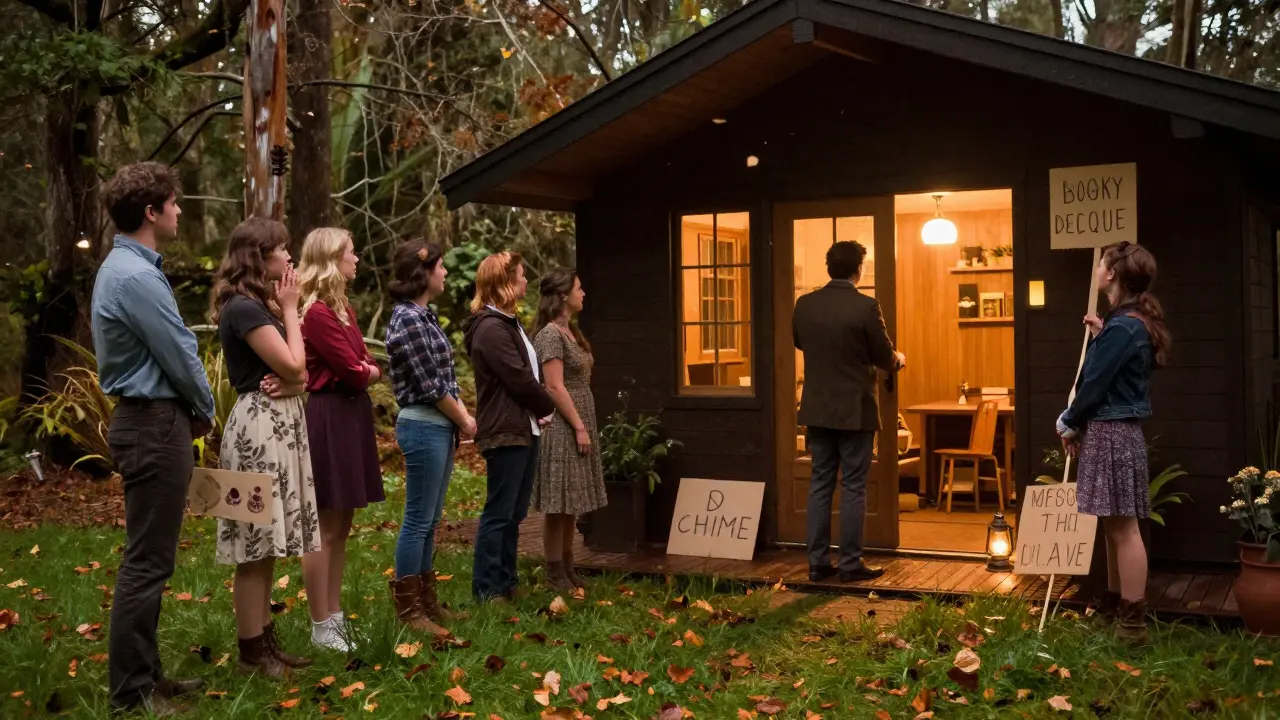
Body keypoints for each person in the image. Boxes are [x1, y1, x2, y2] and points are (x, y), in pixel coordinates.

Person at [92, 162, 215, 715]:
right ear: (151, 210)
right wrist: (206, 409)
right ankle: (132, 693)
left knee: (152, 558)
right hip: (152, 422)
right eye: (174, 201)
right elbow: (180, 352)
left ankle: (147, 675)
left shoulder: (123, 267)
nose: (180, 209)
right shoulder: (137, 276)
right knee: (147, 562)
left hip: (147, 420)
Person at [211, 217, 320, 677]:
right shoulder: (243, 309)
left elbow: (303, 375)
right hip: (258, 432)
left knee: (268, 543)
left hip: (278, 424)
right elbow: (295, 363)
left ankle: (264, 642)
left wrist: (296, 384)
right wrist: (292, 310)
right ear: (259, 256)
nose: (290, 258)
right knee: (254, 544)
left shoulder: (261, 305)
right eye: (282, 249)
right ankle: (251, 652)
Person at [1056, 241, 1169, 644]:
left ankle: (1132, 624)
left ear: (1112, 275)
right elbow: (1116, 372)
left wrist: (1068, 421)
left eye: (1102, 264)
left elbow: (1095, 384)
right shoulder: (1122, 324)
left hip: (1112, 433)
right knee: (1114, 527)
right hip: (1114, 432)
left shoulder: (1124, 326)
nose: (1097, 269)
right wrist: (1103, 336)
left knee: (1123, 530)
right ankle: (1115, 605)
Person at [793, 240, 905, 583]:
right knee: (855, 485)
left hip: (817, 408)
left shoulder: (805, 304)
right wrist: (899, 360)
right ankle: (851, 563)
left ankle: (817, 563)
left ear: (830, 268)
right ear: (859, 269)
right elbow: (885, 357)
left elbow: (799, 342)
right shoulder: (866, 307)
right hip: (855, 409)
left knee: (820, 484)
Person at [296, 227, 384, 652]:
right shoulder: (315, 313)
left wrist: (365, 369)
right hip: (329, 415)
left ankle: (336, 618)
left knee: (343, 525)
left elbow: (363, 361)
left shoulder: (343, 307)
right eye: (352, 252)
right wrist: (365, 371)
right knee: (326, 526)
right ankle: (320, 626)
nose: (358, 258)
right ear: (332, 258)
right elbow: (353, 369)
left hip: (351, 414)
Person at [385, 239, 476, 634]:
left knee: (431, 518)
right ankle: (409, 613)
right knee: (418, 520)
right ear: (424, 272)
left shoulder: (424, 316)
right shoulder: (406, 319)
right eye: (440, 266)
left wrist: (457, 418)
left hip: (437, 425)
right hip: (423, 424)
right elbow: (431, 385)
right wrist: (466, 419)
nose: (445, 272)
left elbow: (443, 380)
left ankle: (427, 603)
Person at [462, 251, 556, 602]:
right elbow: (518, 378)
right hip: (505, 429)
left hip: (522, 426)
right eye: (521, 275)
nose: (527, 281)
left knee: (515, 512)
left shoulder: (507, 323)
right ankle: (487, 587)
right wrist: (547, 404)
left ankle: (506, 580)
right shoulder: (490, 328)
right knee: (500, 511)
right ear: (504, 282)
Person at [531, 269, 606, 591]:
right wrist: (578, 427)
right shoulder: (550, 334)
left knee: (571, 501)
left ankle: (568, 565)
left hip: (579, 418)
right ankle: (553, 572)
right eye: (579, 288)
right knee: (557, 501)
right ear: (563, 295)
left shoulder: (570, 331)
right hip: (563, 424)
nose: (584, 293)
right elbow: (553, 386)